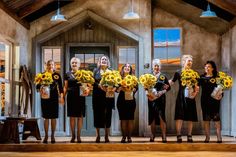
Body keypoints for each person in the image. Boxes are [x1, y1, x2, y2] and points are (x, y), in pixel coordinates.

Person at [169, 55, 199, 143]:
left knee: (190, 117)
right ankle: (178, 135)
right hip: (181, 97)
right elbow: (171, 82)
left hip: (191, 97)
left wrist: (195, 93)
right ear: (183, 62)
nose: (190, 63)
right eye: (188, 61)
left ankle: (189, 135)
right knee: (179, 116)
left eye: (191, 61)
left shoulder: (194, 74)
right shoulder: (178, 72)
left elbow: (196, 86)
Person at [36, 60, 64, 144]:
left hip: (54, 98)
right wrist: (40, 89)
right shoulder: (42, 75)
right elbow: (37, 87)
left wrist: (61, 97)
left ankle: (52, 135)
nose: (50, 66)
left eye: (52, 64)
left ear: (54, 66)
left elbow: (61, 88)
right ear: (46, 66)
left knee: (53, 117)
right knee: (46, 117)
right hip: (45, 98)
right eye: (49, 64)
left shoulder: (57, 75)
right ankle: (46, 136)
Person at [147, 59, 170, 143]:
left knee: (161, 117)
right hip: (151, 99)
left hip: (161, 100)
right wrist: (148, 95)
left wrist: (161, 92)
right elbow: (146, 87)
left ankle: (164, 135)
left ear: (160, 67)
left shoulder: (163, 76)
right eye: (155, 66)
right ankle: (152, 135)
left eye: (158, 66)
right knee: (152, 117)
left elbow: (168, 88)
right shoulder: (149, 76)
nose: (156, 67)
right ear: (153, 67)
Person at [92, 55, 115, 143]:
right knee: (97, 114)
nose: (104, 60)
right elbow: (92, 82)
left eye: (105, 59)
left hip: (108, 96)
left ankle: (106, 135)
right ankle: (98, 135)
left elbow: (116, 82)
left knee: (107, 115)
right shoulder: (95, 71)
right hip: (97, 96)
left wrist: (113, 88)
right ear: (100, 61)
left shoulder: (112, 71)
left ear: (107, 62)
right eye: (102, 59)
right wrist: (100, 86)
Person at [199, 61, 222, 143]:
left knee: (216, 119)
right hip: (204, 101)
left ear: (212, 68)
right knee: (206, 119)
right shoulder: (201, 77)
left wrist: (220, 95)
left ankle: (219, 137)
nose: (207, 68)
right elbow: (196, 86)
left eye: (208, 66)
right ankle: (207, 137)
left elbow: (221, 89)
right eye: (205, 66)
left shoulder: (217, 77)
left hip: (215, 101)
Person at [64, 57, 86, 143]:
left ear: (79, 64)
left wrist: (87, 90)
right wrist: (62, 97)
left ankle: (79, 136)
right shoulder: (67, 74)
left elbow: (87, 85)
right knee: (72, 117)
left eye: (76, 63)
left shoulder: (83, 73)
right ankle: (73, 136)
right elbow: (65, 87)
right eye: (73, 63)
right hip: (71, 97)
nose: (74, 64)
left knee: (80, 116)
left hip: (81, 97)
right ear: (70, 64)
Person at [117, 63, 138, 143]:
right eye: (125, 66)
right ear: (123, 69)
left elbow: (136, 88)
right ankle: (123, 137)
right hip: (121, 101)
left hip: (131, 100)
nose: (127, 67)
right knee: (123, 119)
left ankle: (129, 137)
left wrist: (132, 89)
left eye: (129, 67)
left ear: (130, 69)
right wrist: (121, 88)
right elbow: (116, 89)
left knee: (130, 119)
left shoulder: (134, 78)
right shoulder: (119, 78)